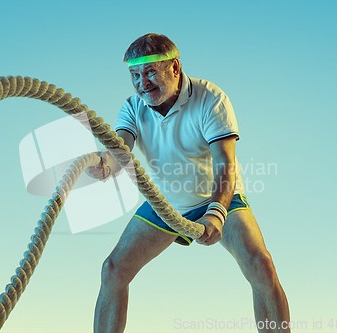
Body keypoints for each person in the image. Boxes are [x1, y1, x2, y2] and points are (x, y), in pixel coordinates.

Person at [86, 33, 290, 333]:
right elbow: (121, 151)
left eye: (150, 72)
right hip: (166, 203)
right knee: (113, 270)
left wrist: (217, 212)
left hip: (219, 198)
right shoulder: (132, 108)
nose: (142, 83)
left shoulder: (210, 98)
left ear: (175, 68)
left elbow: (226, 162)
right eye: (135, 75)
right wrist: (105, 165)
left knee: (261, 265)